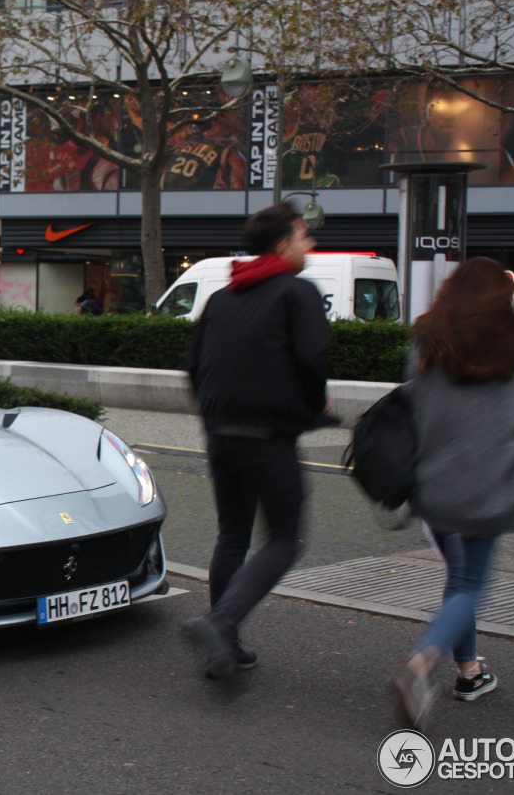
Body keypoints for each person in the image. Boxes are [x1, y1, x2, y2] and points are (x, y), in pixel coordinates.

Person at [183, 201, 330, 679]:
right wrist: (315, 410)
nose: (311, 244)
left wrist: (213, 418)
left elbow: (194, 368)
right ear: (284, 244)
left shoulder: (222, 298)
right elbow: (312, 360)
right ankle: (221, 619)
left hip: (222, 435)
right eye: (305, 235)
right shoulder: (297, 292)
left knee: (232, 536)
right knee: (285, 538)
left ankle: (223, 647)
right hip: (270, 437)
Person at [389, 257, 514, 729]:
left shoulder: (425, 341)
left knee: (458, 580)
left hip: (434, 487)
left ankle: (469, 672)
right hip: (489, 488)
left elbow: (411, 405)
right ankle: (423, 661)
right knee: (469, 586)